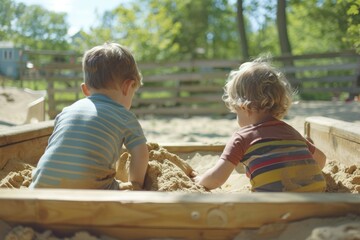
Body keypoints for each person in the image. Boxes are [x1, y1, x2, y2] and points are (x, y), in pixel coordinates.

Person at [193, 57, 327, 192]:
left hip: (275, 207)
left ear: (244, 107)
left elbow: (216, 178)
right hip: (316, 201)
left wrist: (200, 180)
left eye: (236, 112)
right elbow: (321, 160)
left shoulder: (242, 138)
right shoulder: (290, 131)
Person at [30, 42, 149, 190]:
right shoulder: (124, 115)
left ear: (85, 89)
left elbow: (56, 148)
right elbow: (141, 154)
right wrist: (136, 184)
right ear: (127, 86)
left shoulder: (66, 111)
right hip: (91, 191)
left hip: (41, 188)